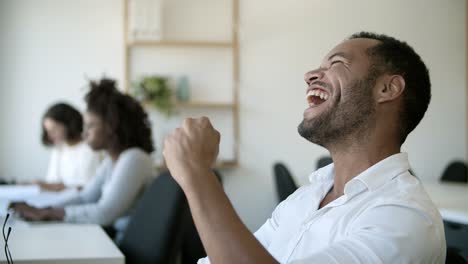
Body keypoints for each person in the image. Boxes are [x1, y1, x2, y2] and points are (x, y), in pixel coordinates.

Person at [163, 32, 446, 263]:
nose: (310, 75)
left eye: (336, 64)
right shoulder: (308, 196)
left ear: (387, 89)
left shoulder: (405, 219)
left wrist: (197, 174)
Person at [12, 78, 155, 238]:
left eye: (91, 125)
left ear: (112, 126)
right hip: (112, 240)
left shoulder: (134, 158)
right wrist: (45, 209)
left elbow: (104, 213)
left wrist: (50, 213)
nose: (84, 132)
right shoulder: (112, 161)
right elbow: (85, 197)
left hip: (124, 247)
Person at [38, 102, 102, 191]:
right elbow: (52, 182)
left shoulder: (93, 148)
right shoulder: (58, 149)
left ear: (68, 124)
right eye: (48, 131)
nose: (50, 135)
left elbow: (93, 188)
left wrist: (62, 187)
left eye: (54, 129)